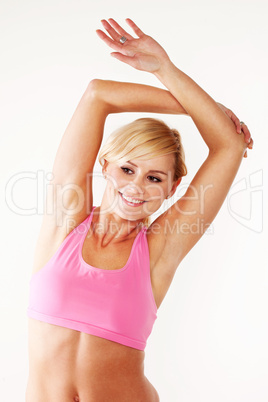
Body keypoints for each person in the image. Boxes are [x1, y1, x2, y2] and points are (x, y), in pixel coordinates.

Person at [26, 18, 253, 402]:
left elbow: (229, 145)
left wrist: (167, 69)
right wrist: (204, 107)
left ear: (172, 188)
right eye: (127, 169)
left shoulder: (160, 249)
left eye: (154, 178)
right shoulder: (65, 219)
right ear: (105, 166)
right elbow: (97, 94)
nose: (135, 186)